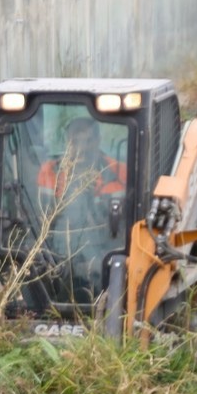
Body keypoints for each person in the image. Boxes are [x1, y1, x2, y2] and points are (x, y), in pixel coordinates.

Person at [32, 117, 126, 303]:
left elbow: (127, 222)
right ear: (67, 143)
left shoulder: (118, 171)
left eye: (88, 141)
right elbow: (42, 217)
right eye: (76, 142)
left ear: (98, 141)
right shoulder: (50, 171)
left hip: (106, 251)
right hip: (59, 250)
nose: (82, 148)